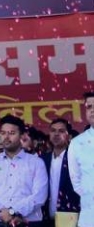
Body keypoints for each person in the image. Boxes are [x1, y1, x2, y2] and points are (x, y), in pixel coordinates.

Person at [0, 114, 48, 227]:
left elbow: (39, 196)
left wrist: (13, 211)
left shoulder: (36, 162)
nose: (6, 137)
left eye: (12, 133)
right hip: (1, 222)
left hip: (29, 222)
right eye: (3, 133)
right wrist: (2, 213)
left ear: (21, 136)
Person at [41, 118, 80, 225]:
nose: (56, 134)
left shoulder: (77, 159)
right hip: (45, 218)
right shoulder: (42, 160)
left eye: (61, 131)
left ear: (69, 136)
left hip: (70, 218)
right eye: (53, 131)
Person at [68, 91, 94, 227]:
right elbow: (76, 182)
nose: (92, 110)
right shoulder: (77, 143)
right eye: (89, 107)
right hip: (90, 217)